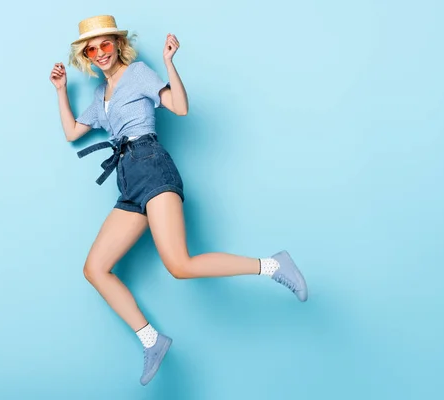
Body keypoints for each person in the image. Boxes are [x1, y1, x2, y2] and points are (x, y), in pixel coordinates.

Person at [49, 15, 309, 386]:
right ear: (86, 56)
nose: (100, 53)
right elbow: (73, 131)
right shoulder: (98, 97)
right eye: (92, 49)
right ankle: (152, 340)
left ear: (117, 45)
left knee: (180, 264)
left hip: (151, 164)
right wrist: (60, 90)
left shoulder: (137, 73)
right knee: (95, 268)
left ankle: (273, 265)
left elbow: (179, 107)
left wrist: (170, 63)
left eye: (105, 44)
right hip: (128, 180)